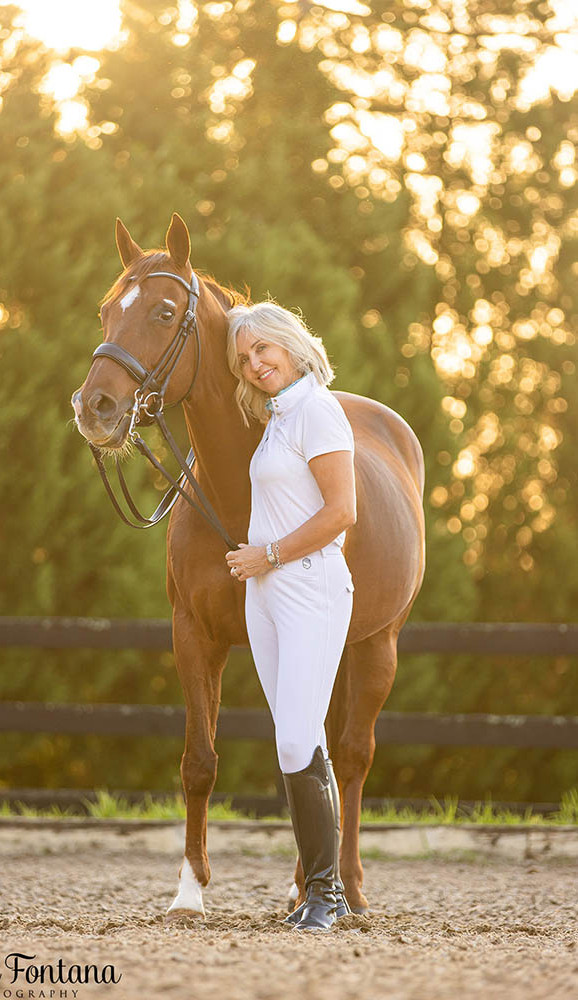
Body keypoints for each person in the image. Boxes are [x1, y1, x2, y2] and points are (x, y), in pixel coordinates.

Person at [225, 301, 357, 932]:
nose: (254, 365)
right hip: (267, 593)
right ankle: (317, 890)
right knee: (299, 737)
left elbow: (342, 512)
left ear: (291, 344)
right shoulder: (278, 419)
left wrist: (268, 554)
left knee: (295, 737)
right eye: (244, 359)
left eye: (262, 351)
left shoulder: (318, 410)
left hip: (310, 587)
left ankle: (325, 895)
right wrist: (260, 566)